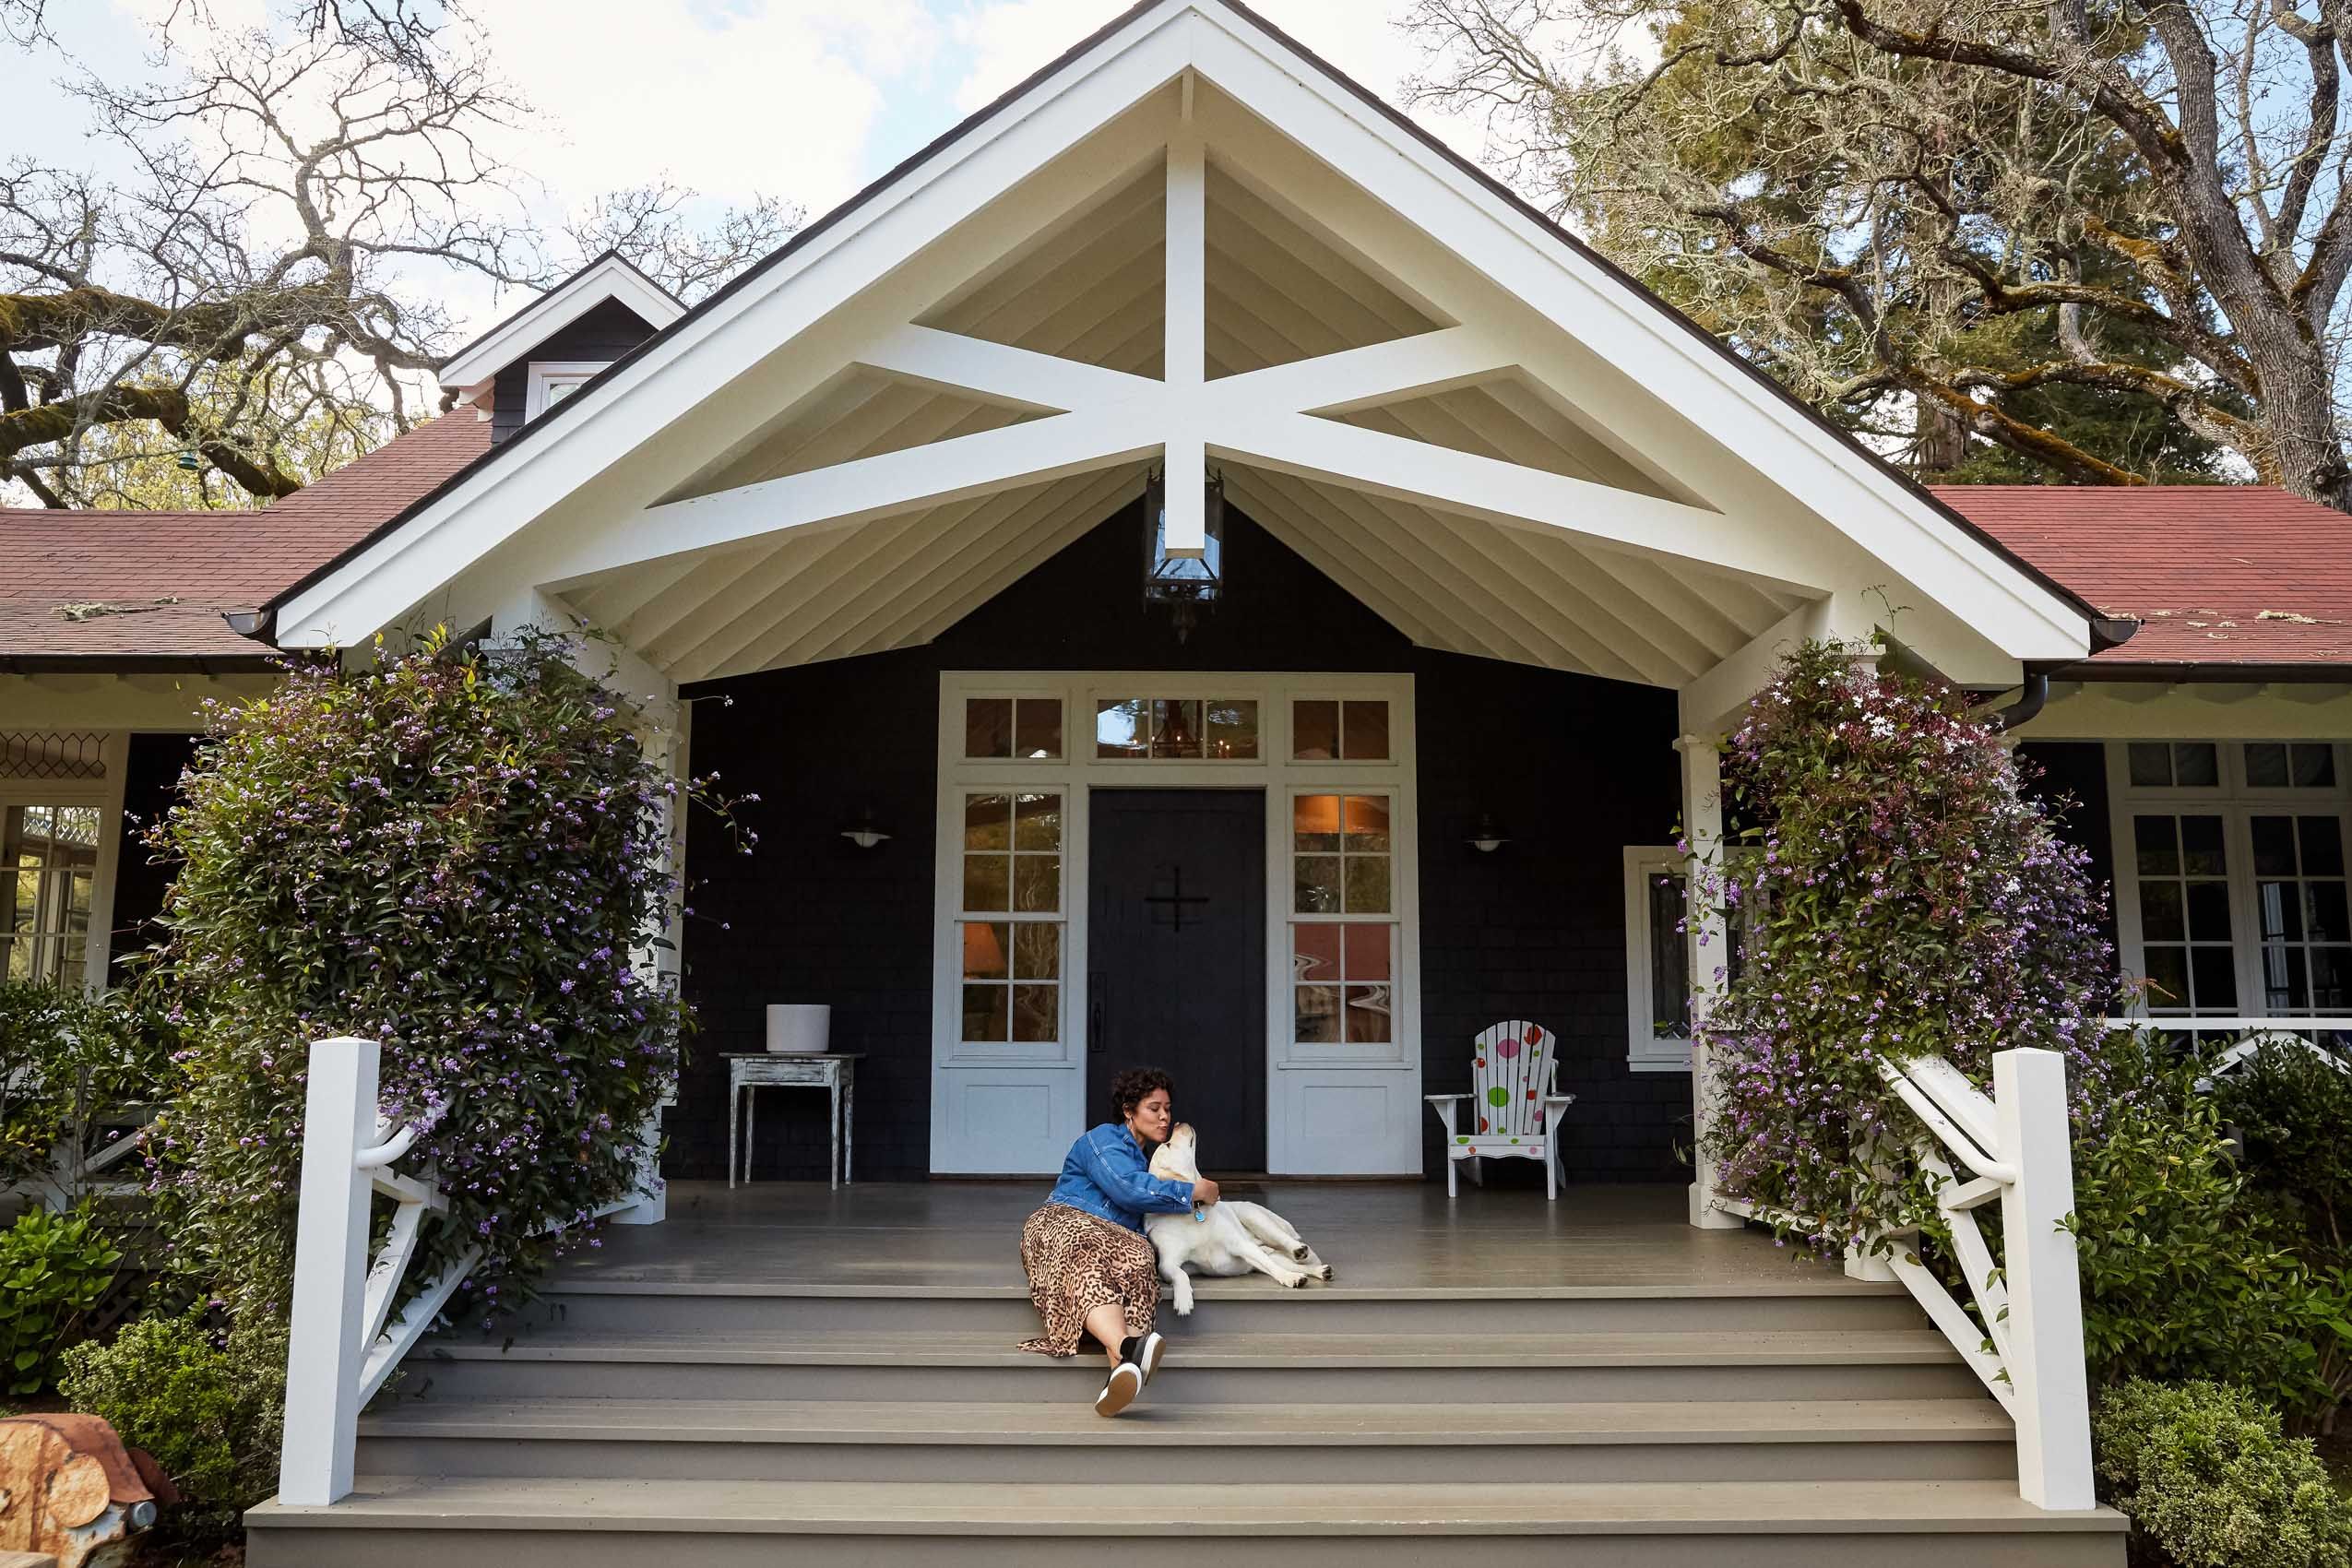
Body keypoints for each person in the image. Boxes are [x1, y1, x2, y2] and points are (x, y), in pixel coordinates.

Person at [1016, 1065, 1221, 1416]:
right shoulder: (1103, 1140)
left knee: (1139, 1260)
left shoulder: (1153, 1162)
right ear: (1129, 1110)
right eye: (1153, 1108)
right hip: (1066, 1220)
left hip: (1117, 1236)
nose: (1164, 1118)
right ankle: (1127, 1346)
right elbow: (1127, 1189)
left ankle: (1120, 1374)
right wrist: (1192, 1192)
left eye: (1167, 1109)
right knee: (1083, 1247)